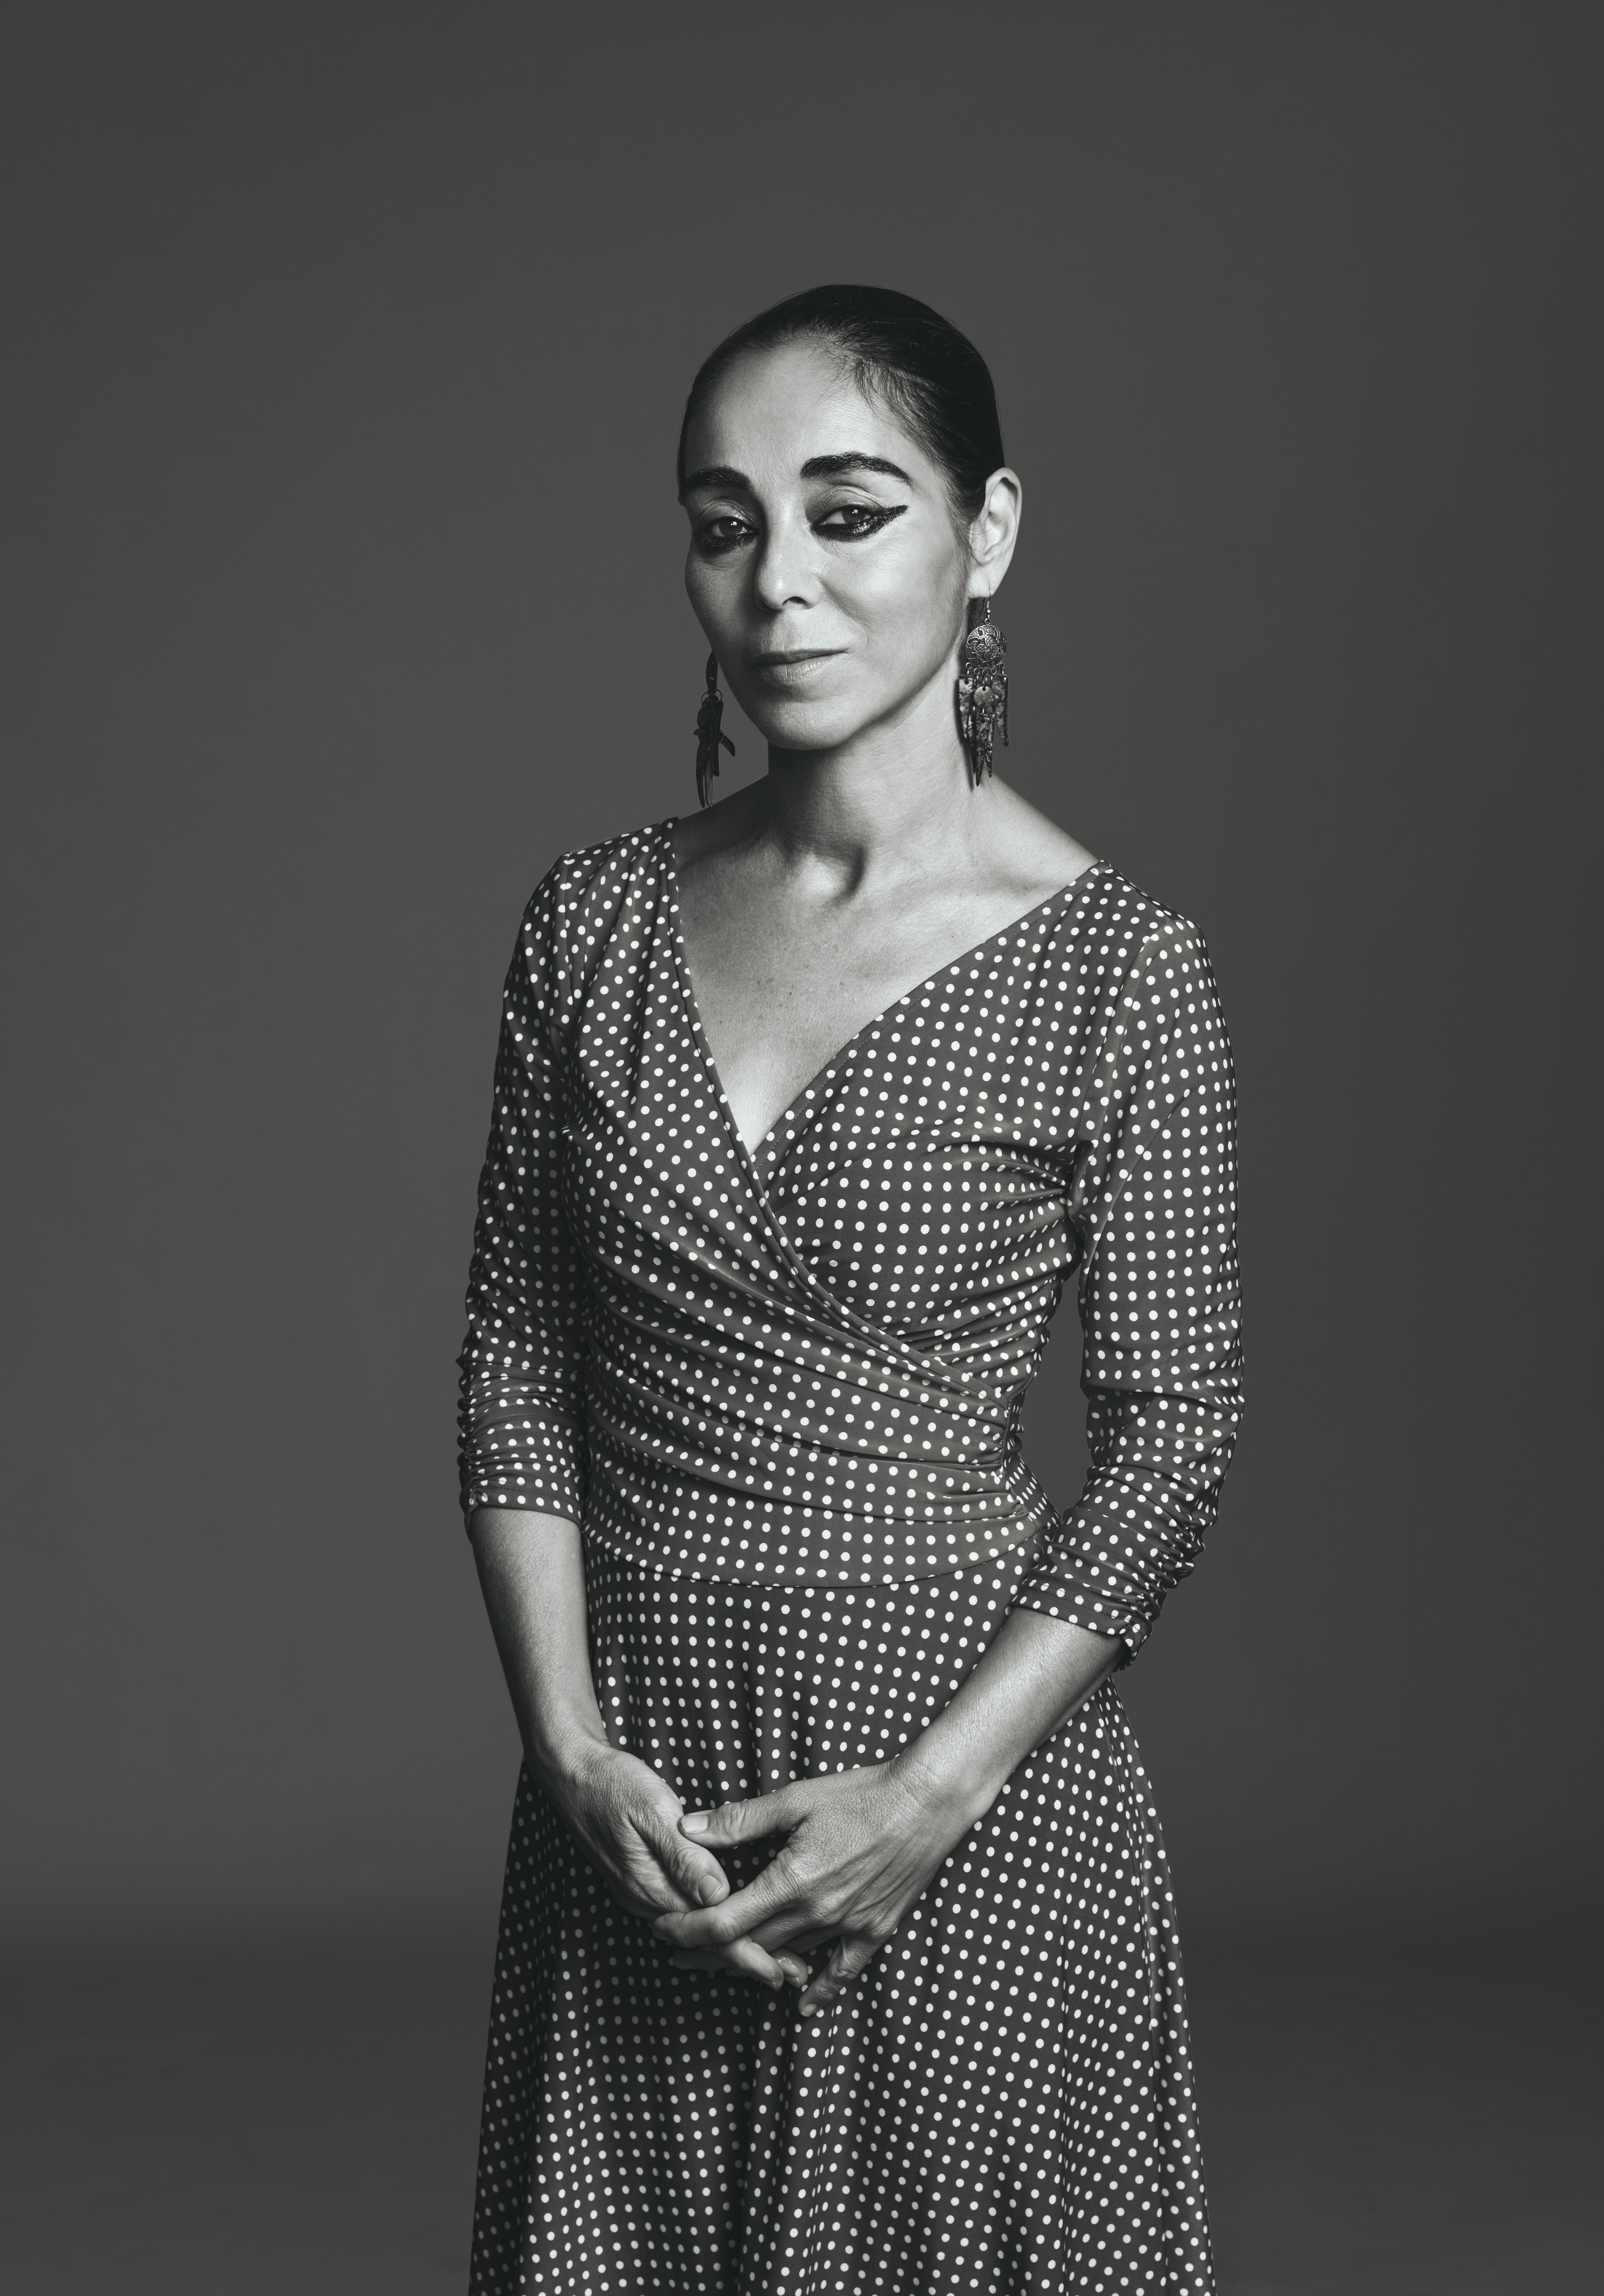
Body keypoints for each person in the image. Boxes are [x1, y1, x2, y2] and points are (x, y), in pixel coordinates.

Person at [456, 284, 1244, 2295]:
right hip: (641, 1803)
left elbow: (1175, 1426)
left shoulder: (1117, 973)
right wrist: (564, 1746)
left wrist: (925, 1798)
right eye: (726, 524)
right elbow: (521, 1353)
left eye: (848, 510)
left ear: (981, 539)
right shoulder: (592, 919)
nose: (780, 583)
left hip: (959, 1803)